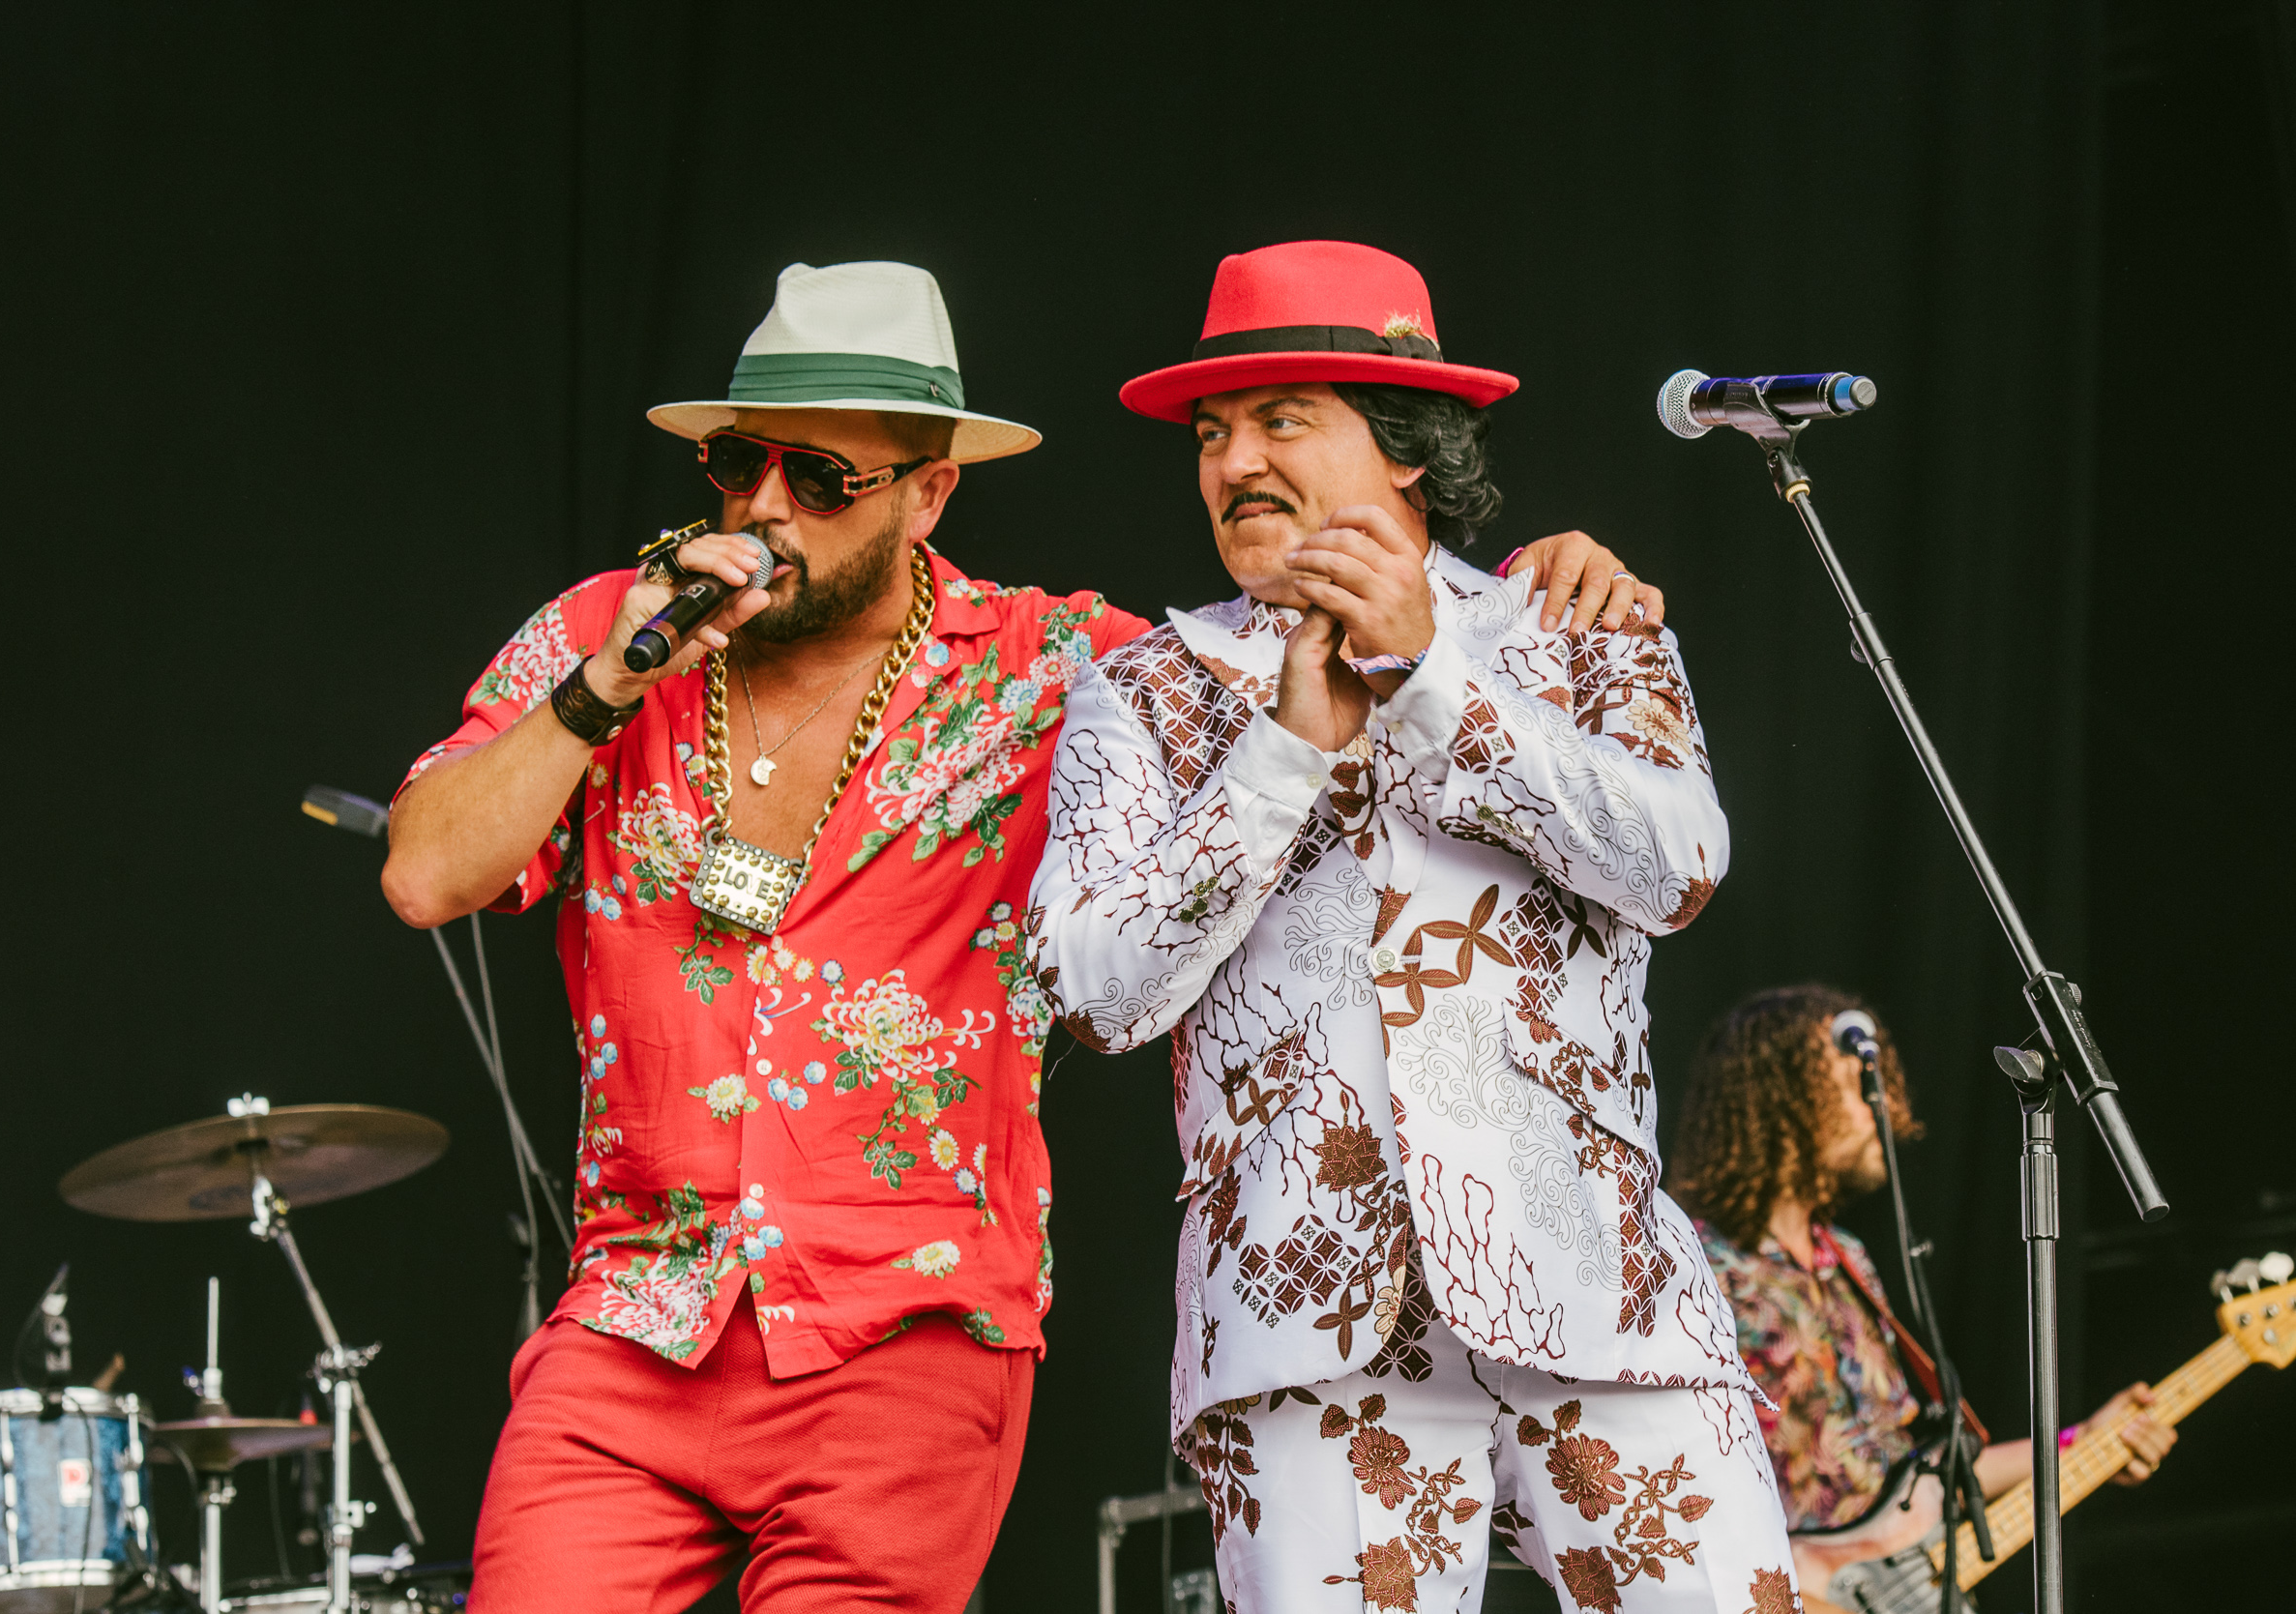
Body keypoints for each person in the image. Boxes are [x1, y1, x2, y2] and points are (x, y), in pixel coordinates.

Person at [381, 258, 1652, 1612]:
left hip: (909, 1332)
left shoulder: (1057, 670)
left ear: (930, 495)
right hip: (636, 1320)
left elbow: (1302, 639)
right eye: (739, 463)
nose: (762, 509)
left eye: (820, 481)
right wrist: (608, 683)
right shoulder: (607, 634)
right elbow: (424, 874)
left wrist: (1516, 599)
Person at [1028, 240, 1794, 1613]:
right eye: (1212, 433)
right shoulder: (1141, 688)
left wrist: (1438, 680)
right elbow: (1091, 990)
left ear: (1403, 448)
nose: (1232, 462)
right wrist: (1280, 755)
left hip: (1601, 1294)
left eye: (1279, 421)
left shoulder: (1575, 626)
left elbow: (1679, 866)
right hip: (1302, 1322)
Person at [1668, 985, 2174, 1557]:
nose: (1880, 1110)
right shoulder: (1692, 1265)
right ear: (1780, 1097)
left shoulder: (1847, 1261)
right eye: (1856, 1087)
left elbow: (1920, 1486)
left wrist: (2079, 1441)